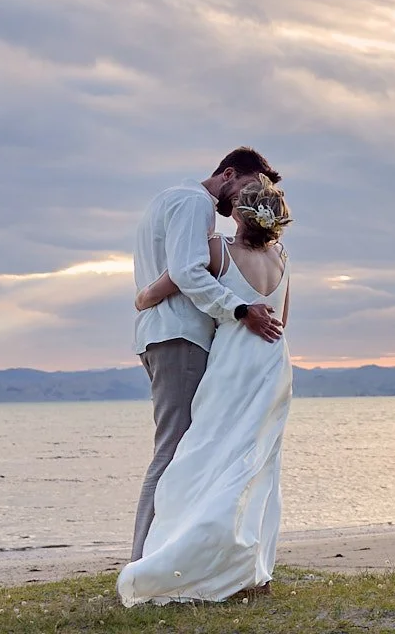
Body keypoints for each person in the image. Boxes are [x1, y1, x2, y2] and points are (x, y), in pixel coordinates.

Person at [119, 175, 295, 605]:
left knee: (205, 455)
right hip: (273, 364)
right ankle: (255, 569)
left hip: (231, 362)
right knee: (259, 466)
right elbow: (282, 320)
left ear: (239, 212)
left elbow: (168, 283)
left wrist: (142, 300)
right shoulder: (283, 261)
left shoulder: (217, 250)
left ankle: (174, 555)